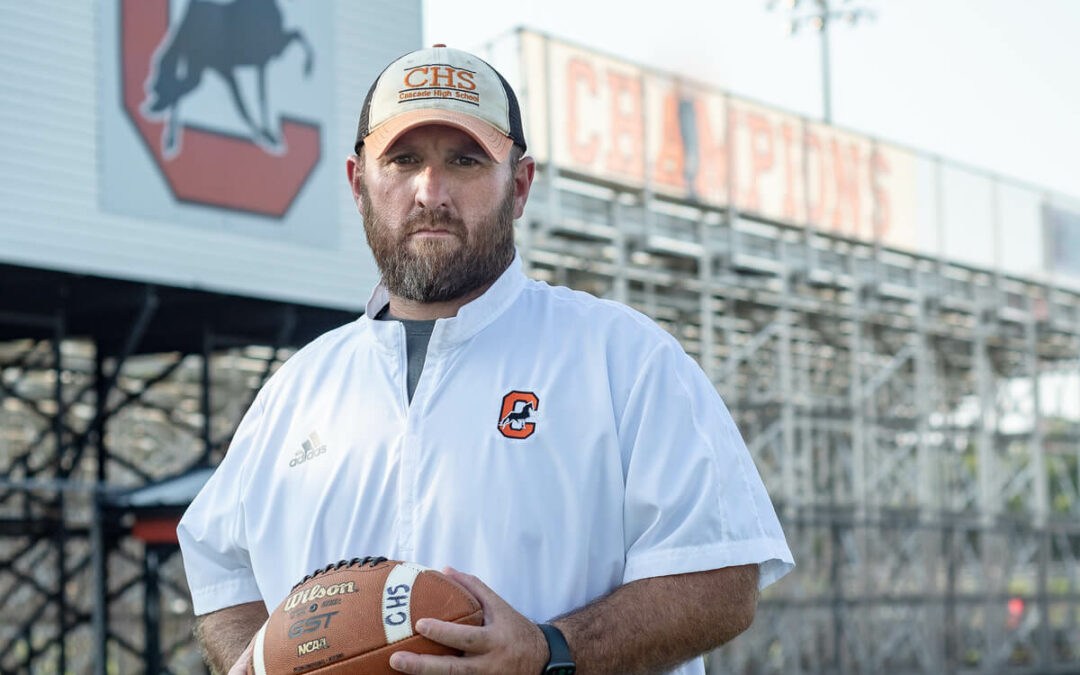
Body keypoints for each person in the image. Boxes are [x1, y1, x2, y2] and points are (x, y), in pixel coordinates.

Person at [177, 44, 794, 675]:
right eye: (404, 159)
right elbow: (223, 576)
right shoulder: (299, 388)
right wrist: (256, 664)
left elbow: (721, 574)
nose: (430, 192)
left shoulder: (624, 358)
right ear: (358, 184)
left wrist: (554, 650)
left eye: (466, 160)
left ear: (519, 187)